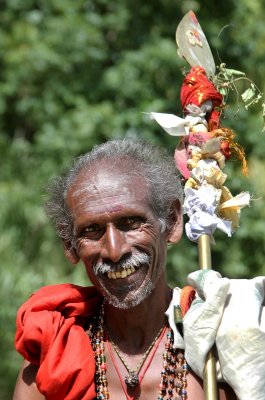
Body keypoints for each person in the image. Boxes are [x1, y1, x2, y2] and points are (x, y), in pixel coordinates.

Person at [13, 139, 264, 400]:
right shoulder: (53, 358)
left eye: (131, 222)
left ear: (172, 221)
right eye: (91, 230)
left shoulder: (219, 350)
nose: (114, 250)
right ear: (70, 246)